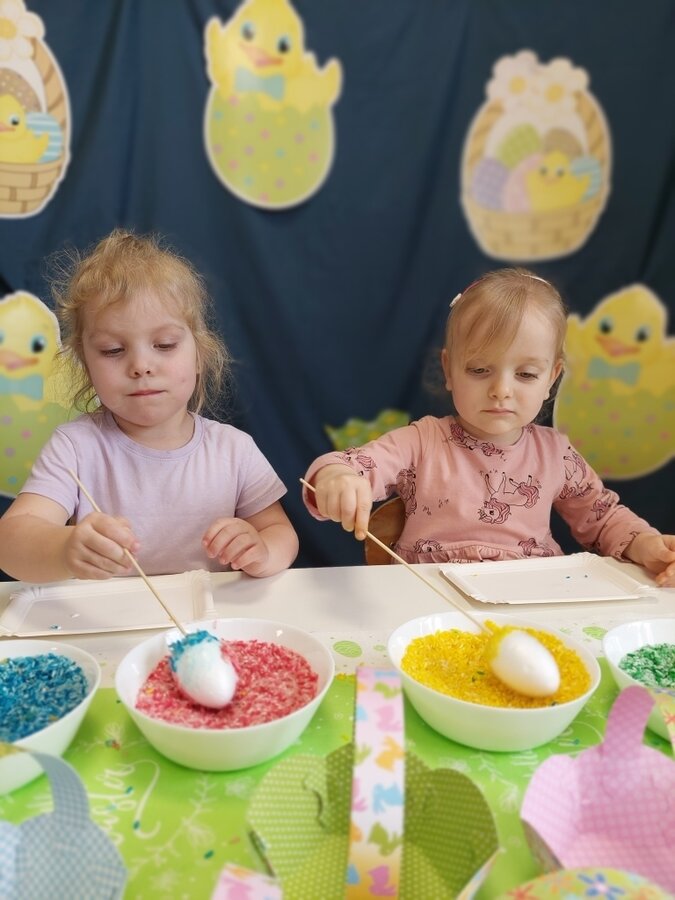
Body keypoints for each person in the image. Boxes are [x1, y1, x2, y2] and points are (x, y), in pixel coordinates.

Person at [302, 268, 675, 587]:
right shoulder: (421, 441)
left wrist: (646, 545)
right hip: (431, 602)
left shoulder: (556, 454)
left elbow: (603, 518)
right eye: (480, 370)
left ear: (552, 377)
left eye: (526, 374)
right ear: (449, 370)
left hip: (532, 599)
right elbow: (350, 466)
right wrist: (338, 478)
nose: (501, 390)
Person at [0, 230, 298, 582]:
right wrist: (64, 549)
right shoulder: (75, 448)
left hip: (213, 614)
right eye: (113, 350)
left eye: (165, 344)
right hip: (109, 615)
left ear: (200, 356)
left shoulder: (234, 450)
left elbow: (280, 532)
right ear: (86, 365)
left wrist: (262, 551)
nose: (141, 366)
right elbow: (10, 542)